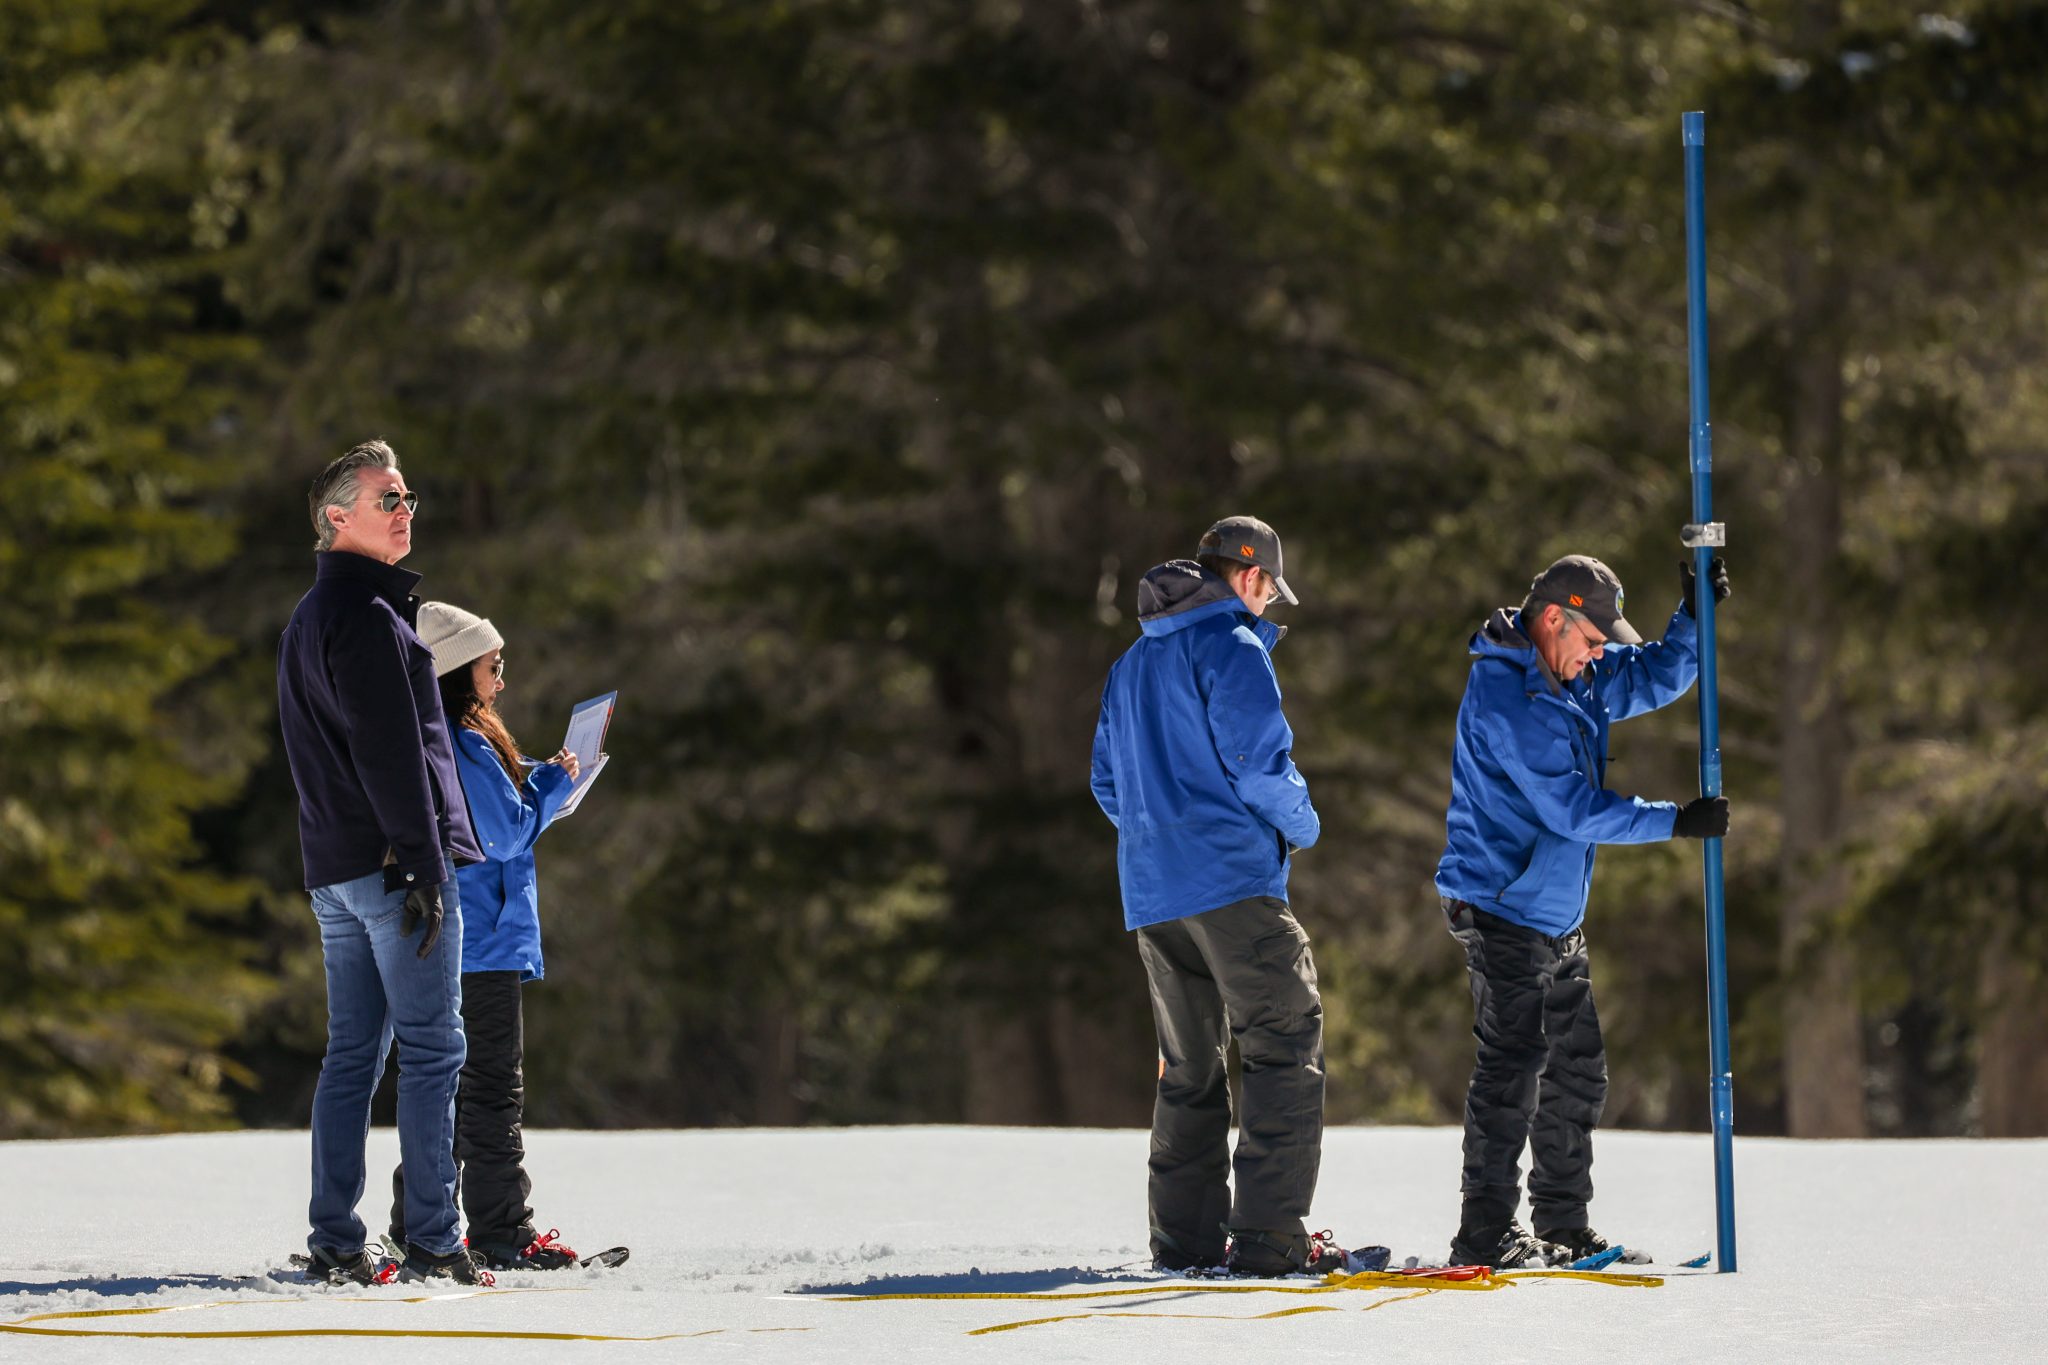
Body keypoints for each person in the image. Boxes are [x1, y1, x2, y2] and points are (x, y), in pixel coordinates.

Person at [1434, 553, 1731, 1269]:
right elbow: (1570, 809)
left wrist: (1695, 615)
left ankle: (1563, 1222)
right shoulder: (1510, 694)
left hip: (1555, 910)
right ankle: (1485, 1232)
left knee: (1578, 1069)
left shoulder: (1578, 678)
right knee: (1514, 1064)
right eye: (1593, 639)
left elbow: (1660, 673)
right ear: (1553, 618)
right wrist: (1674, 821)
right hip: (1502, 905)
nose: (1600, 655)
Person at [1090, 516, 1359, 1278]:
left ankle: (1185, 1243)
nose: (1270, 606)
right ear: (1248, 576)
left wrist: (1160, 838)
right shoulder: (1233, 645)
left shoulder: (1131, 664)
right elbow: (1261, 766)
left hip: (1153, 895)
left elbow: (1107, 783)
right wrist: (1302, 826)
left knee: (1188, 1066)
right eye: (1270, 589)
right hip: (1232, 884)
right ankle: (1271, 1238)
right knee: (1282, 1044)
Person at [276, 439, 489, 1285]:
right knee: (434, 1050)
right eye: (387, 500)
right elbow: (388, 754)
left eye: (408, 497)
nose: (406, 512)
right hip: (393, 869)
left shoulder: (309, 615)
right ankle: (435, 1237)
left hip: (337, 869)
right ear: (338, 518)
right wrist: (426, 864)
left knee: (353, 1055)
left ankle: (336, 1238)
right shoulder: (365, 617)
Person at [384, 601, 588, 1271]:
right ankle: (502, 1226)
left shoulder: (435, 732)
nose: (501, 681)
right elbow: (502, 832)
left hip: (452, 935)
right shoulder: (465, 739)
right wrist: (554, 784)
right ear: (457, 670)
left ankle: (418, 1219)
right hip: (483, 939)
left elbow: (494, 805)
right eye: (492, 667)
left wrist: (532, 776)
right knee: (490, 1089)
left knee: (446, 1085)